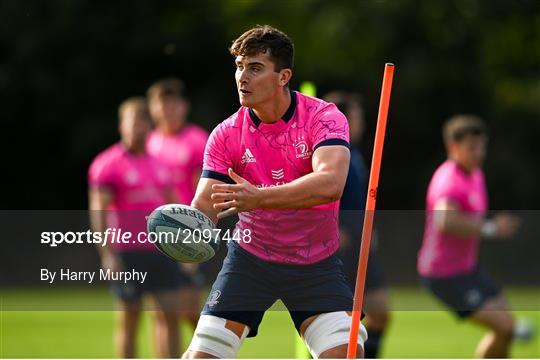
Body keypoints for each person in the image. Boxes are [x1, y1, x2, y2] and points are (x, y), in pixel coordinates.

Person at [182, 25, 367, 359]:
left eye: (255, 68)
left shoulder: (324, 117)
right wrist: (186, 228)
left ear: (283, 76)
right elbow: (206, 204)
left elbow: (330, 183)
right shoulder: (226, 134)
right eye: (239, 66)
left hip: (316, 264)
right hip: (249, 261)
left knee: (347, 354)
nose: (242, 77)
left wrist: (259, 197)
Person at [417, 115, 523, 358]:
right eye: (472, 148)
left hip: (467, 269)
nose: (479, 153)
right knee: (504, 327)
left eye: (482, 147)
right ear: (453, 147)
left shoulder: (474, 174)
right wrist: (491, 229)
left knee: (507, 328)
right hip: (443, 275)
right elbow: (446, 221)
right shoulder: (448, 180)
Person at [88, 97, 187, 358]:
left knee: (170, 316)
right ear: (121, 126)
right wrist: (107, 254)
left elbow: (175, 209)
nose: (137, 129)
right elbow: (98, 212)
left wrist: (187, 247)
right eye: (132, 123)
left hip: (161, 252)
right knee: (129, 321)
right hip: (127, 252)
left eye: (143, 123)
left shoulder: (160, 165)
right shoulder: (107, 164)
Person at [324, 91, 391, 358]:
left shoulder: (356, 153)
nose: (361, 122)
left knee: (380, 312)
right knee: (332, 323)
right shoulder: (330, 153)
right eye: (357, 117)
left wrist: (368, 229)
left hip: (360, 245)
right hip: (339, 247)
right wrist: (332, 228)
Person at [146, 78, 209, 328]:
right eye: (160, 104)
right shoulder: (149, 143)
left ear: (184, 106)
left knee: (190, 311)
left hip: (186, 233)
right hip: (155, 236)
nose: (166, 110)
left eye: (172, 104)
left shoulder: (196, 141)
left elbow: (203, 192)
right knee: (161, 315)